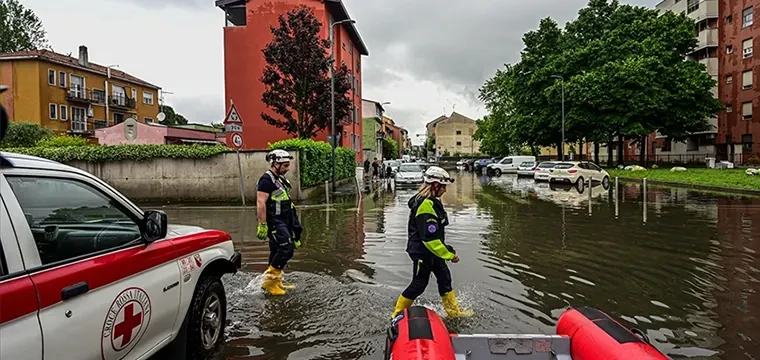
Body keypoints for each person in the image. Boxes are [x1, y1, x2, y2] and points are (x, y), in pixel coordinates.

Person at [391, 166, 473, 319]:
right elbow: (430, 239)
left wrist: (444, 252)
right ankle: (396, 315)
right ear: (435, 185)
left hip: (434, 252)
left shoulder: (433, 202)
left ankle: (454, 313)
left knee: (445, 279)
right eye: (443, 187)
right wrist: (449, 254)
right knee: (419, 284)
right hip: (423, 252)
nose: (445, 190)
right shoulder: (425, 205)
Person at [256, 149, 303, 296]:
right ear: (275, 164)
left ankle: (276, 281)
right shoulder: (266, 180)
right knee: (286, 249)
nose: (287, 168)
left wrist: (295, 228)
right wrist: (262, 224)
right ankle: (270, 282)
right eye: (285, 165)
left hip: (285, 219)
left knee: (276, 250)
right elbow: (260, 202)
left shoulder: (280, 179)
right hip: (275, 221)